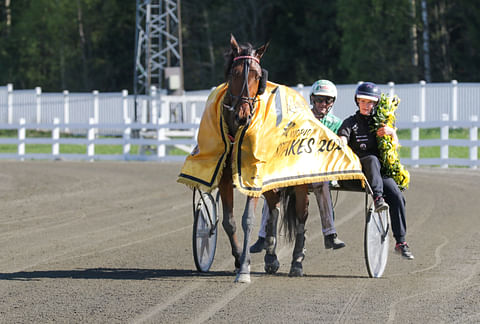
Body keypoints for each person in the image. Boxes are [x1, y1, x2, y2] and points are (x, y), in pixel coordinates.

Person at [250, 79, 346, 253]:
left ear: (333, 102)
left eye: (328, 100)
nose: (323, 104)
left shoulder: (337, 124)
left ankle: (330, 234)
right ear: (312, 100)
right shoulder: (300, 118)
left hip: (320, 171)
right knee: (271, 187)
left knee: (322, 183)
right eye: (319, 100)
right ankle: (263, 236)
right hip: (296, 169)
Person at [337, 82, 414, 259]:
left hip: (377, 175)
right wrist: (341, 141)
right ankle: (378, 198)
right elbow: (342, 138)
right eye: (362, 101)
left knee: (396, 195)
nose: (366, 105)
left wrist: (392, 133)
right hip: (357, 173)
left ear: (376, 104)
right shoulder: (350, 122)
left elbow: (393, 149)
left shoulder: (382, 123)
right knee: (371, 159)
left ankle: (401, 242)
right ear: (357, 102)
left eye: (370, 102)